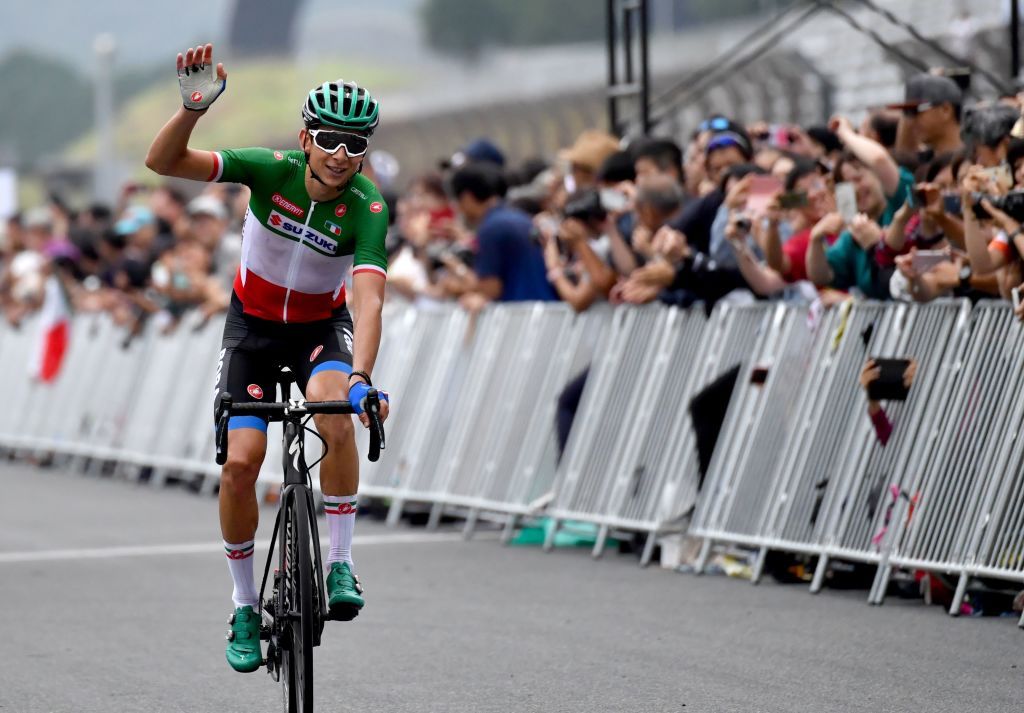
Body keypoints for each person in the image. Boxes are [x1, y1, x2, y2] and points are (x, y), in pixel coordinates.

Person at [145, 43, 391, 673]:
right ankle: (245, 604)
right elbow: (163, 160)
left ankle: (339, 564)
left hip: (318, 331)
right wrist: (191, 111)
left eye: (356, 144)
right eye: (331, 139)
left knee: (335, 413)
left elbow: (367, 302)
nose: (341, 156)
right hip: (251, 333)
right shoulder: (268, 170)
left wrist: (362, 377)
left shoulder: (366, 207)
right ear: (306, 137)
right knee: (242, 466)